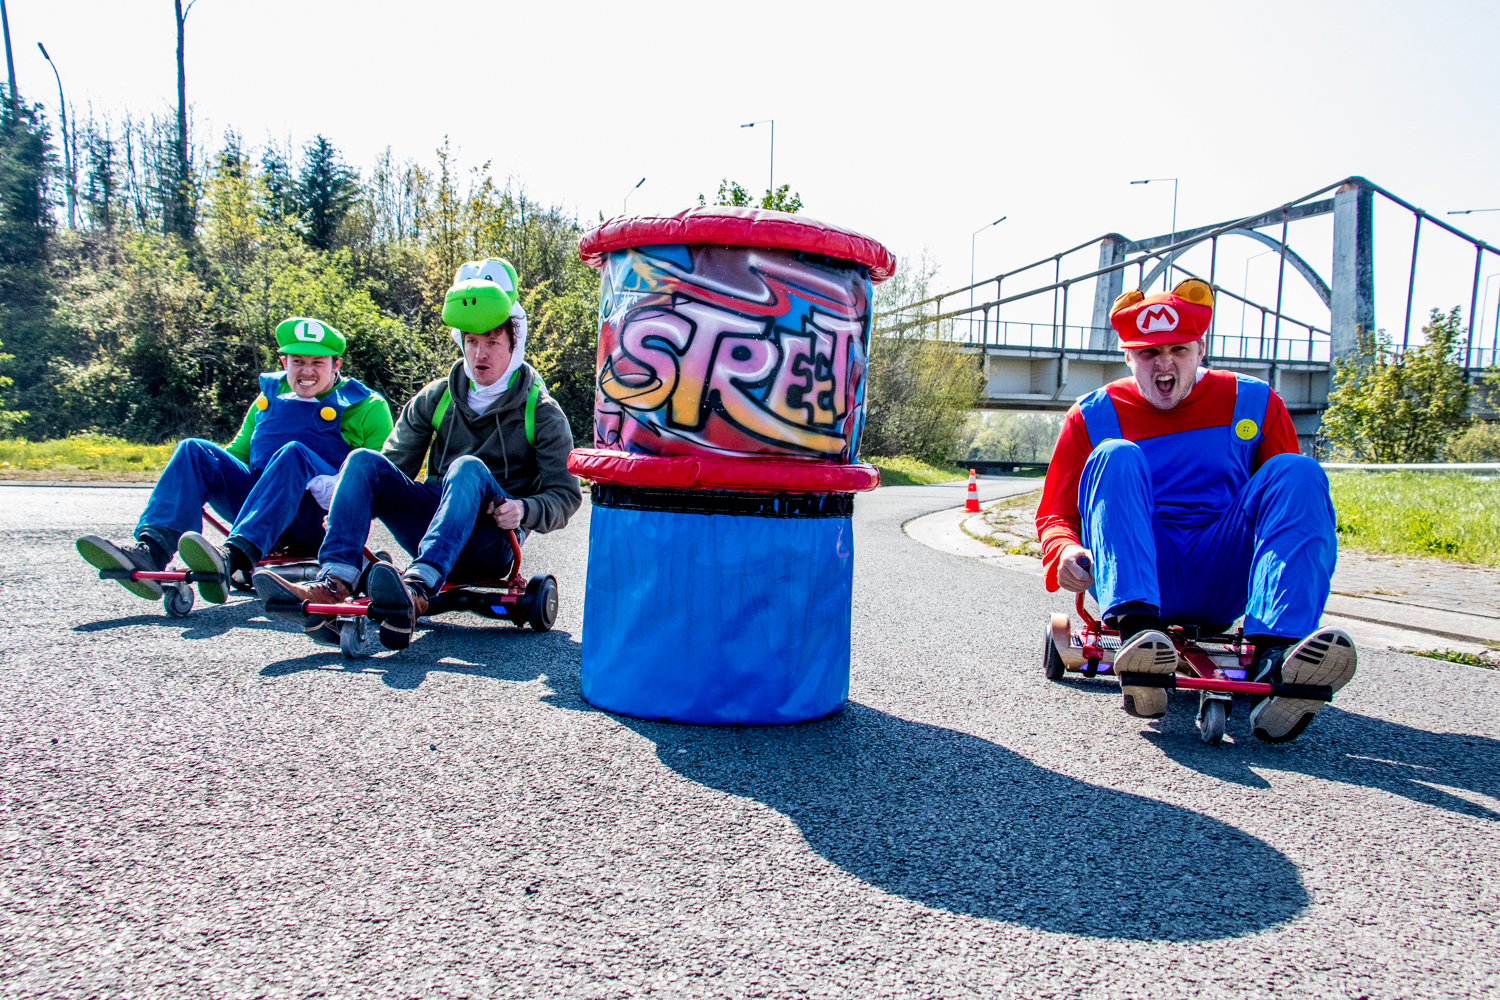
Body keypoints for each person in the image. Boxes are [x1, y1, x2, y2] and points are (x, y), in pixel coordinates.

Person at [1035, 277, 1356, 743]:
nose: (1164, 364)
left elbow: (1288, 507)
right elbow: (1056, 515)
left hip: (1221, 571)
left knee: (1299, 471)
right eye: (1149, 352)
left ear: (1200, 349)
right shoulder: (1092, 415)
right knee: (1115, 455)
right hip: (1139, 570)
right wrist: (1065, 551)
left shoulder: (1255, 402)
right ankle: (1139, 639)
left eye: (1178, 350)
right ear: (1128, 356)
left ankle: (1277, 655)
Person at [255, 258, 581, 649]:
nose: (480, 353)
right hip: (431, 524)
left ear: (515, 345)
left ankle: (418, 588)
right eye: (472, 342)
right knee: (362, 460)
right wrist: (347, 504)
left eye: (492, 342)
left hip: (491, 540)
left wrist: (525, 509)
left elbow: (566, 496)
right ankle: (334, 582)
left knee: (467, 467)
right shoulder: (438, 396)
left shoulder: (541, 412)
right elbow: (390, 467)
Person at [76, 317, 393, 605]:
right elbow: (235, 456)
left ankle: (233, 557)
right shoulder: (269, 398)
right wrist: (197, 476)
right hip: (259, 509)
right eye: (298, 361)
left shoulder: (367, 406)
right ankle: (153, 550)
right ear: (284, 361)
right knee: (194, 451)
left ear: (336, 364)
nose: (306, 371)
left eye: (317, 362)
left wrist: (331, 486)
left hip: (318, 522)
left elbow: (379, 481)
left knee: (293, 453)